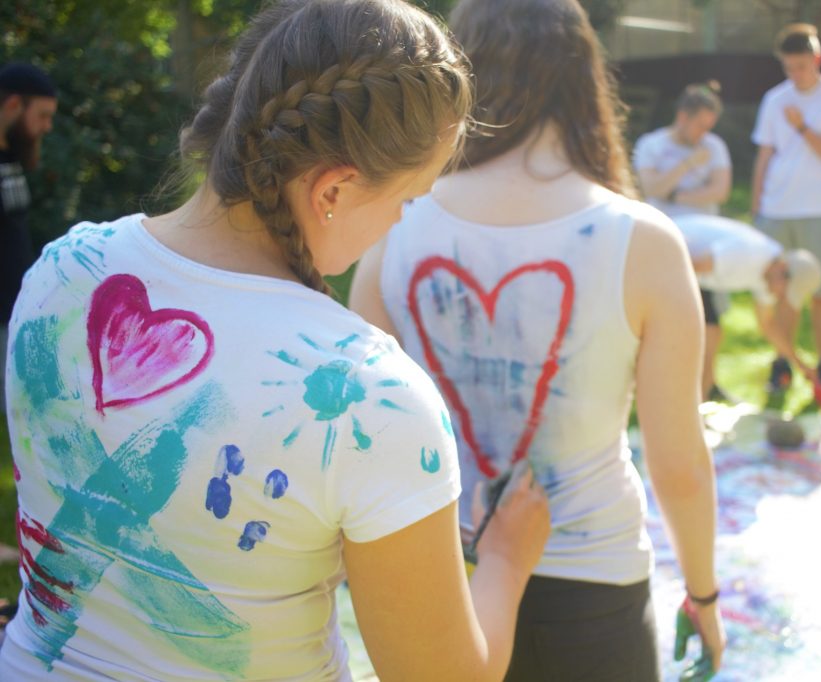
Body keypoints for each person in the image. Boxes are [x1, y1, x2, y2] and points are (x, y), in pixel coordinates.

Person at [0, 1, 550, 680]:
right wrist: (505, 561)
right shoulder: (365, 392)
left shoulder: (63, 270)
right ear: (336, 188)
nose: (401, 224)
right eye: (408, 200)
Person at [350, 0, 725, 679]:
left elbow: (364, 445)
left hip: (443, 585)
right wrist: (704, 595)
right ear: (584, 76)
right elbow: (679, 465)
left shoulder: (391, 233)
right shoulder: (642, 241)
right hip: (597, 586)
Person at [751, 23, 821, 395]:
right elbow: (764, 155)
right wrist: (757, 208)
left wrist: (802, 128)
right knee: (783, 290)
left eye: (801, 66)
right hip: (777, 210)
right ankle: (783, 362)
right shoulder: (774, 99)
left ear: (817, 59)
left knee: (820, 292)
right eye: (788, 67)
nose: (795, 75)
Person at [634, 82, 735, 402]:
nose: (704, 133)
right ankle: (657, 385)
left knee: (709, 316)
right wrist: (689, 166)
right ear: (682, 116)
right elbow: (652, 187)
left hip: (704, 243)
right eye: (700, 125)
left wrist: (675, 192)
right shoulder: (651, 144)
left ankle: (707, 382)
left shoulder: (715, 146)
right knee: (661, 315)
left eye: (710, 127)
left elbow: (720, 191)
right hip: (663, 242)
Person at [678, 214, 821, 398]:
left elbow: (767, 324)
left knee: (711, 333)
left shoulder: (769, 274)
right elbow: (691, 264)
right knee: (709, 334)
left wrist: (801, 365)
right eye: (785, 291)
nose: (780, 297)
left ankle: (697, 401)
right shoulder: (749, 254)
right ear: (783, 268)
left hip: (693, 277)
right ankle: (688, 401)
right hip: (669, 260)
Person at [0, 62, 57, 412]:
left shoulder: (11, 157)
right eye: (43, 115)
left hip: (13, 309)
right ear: (13, 105)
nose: (46, 127)